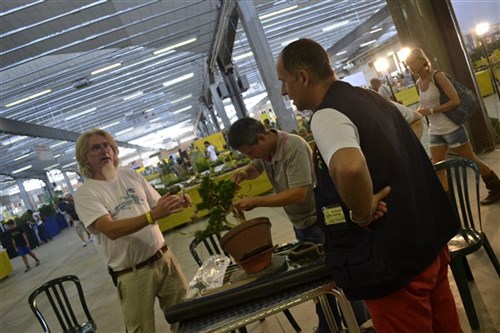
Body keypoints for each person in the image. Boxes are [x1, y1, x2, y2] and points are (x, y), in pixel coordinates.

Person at [277, 38, 462, 333]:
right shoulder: (368, 97)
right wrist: (399, 170)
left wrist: (361, 211)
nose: (284, 91)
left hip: (395, 260)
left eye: (284, 81)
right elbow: (414, 120)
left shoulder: (326, 115)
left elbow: (349, 167)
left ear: (303, 77)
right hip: (428, 241)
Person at [227, 117, 370, 330]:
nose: (250, 156)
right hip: (301, 223)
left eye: (249, 152)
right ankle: (333, 324)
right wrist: (243, 172)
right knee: (321, 279)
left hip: (319, 222)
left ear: (261, 136)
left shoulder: (292, 148)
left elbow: (298, 194)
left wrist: (256, 201)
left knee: (337, 275)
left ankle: (359, 322)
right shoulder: (267, 152)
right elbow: (255, 168)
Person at [74, 128, 190, 333]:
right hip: (133, 274)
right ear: (85, 157)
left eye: (108, 145)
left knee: (188, 318)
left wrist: (175, 203)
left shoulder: (130, 175)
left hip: (164, 259)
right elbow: (110, 229)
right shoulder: (86, 193)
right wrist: (152, 216)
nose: (105, 150)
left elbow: (157, 205)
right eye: (96, 148)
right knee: (141, 330)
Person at [406, 47, 500, 205]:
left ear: (422, 61)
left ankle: (495, 187)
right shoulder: (418, 83)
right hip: (435, 130)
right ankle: (450, 207)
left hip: (452, 128)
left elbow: (455, 100)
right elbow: (428, 105)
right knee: (438, 168)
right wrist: (422, 112)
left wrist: (432, 110)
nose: (410, 67)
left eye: (412, 62)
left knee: (471, 159)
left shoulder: (438, 76)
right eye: (407, 64)